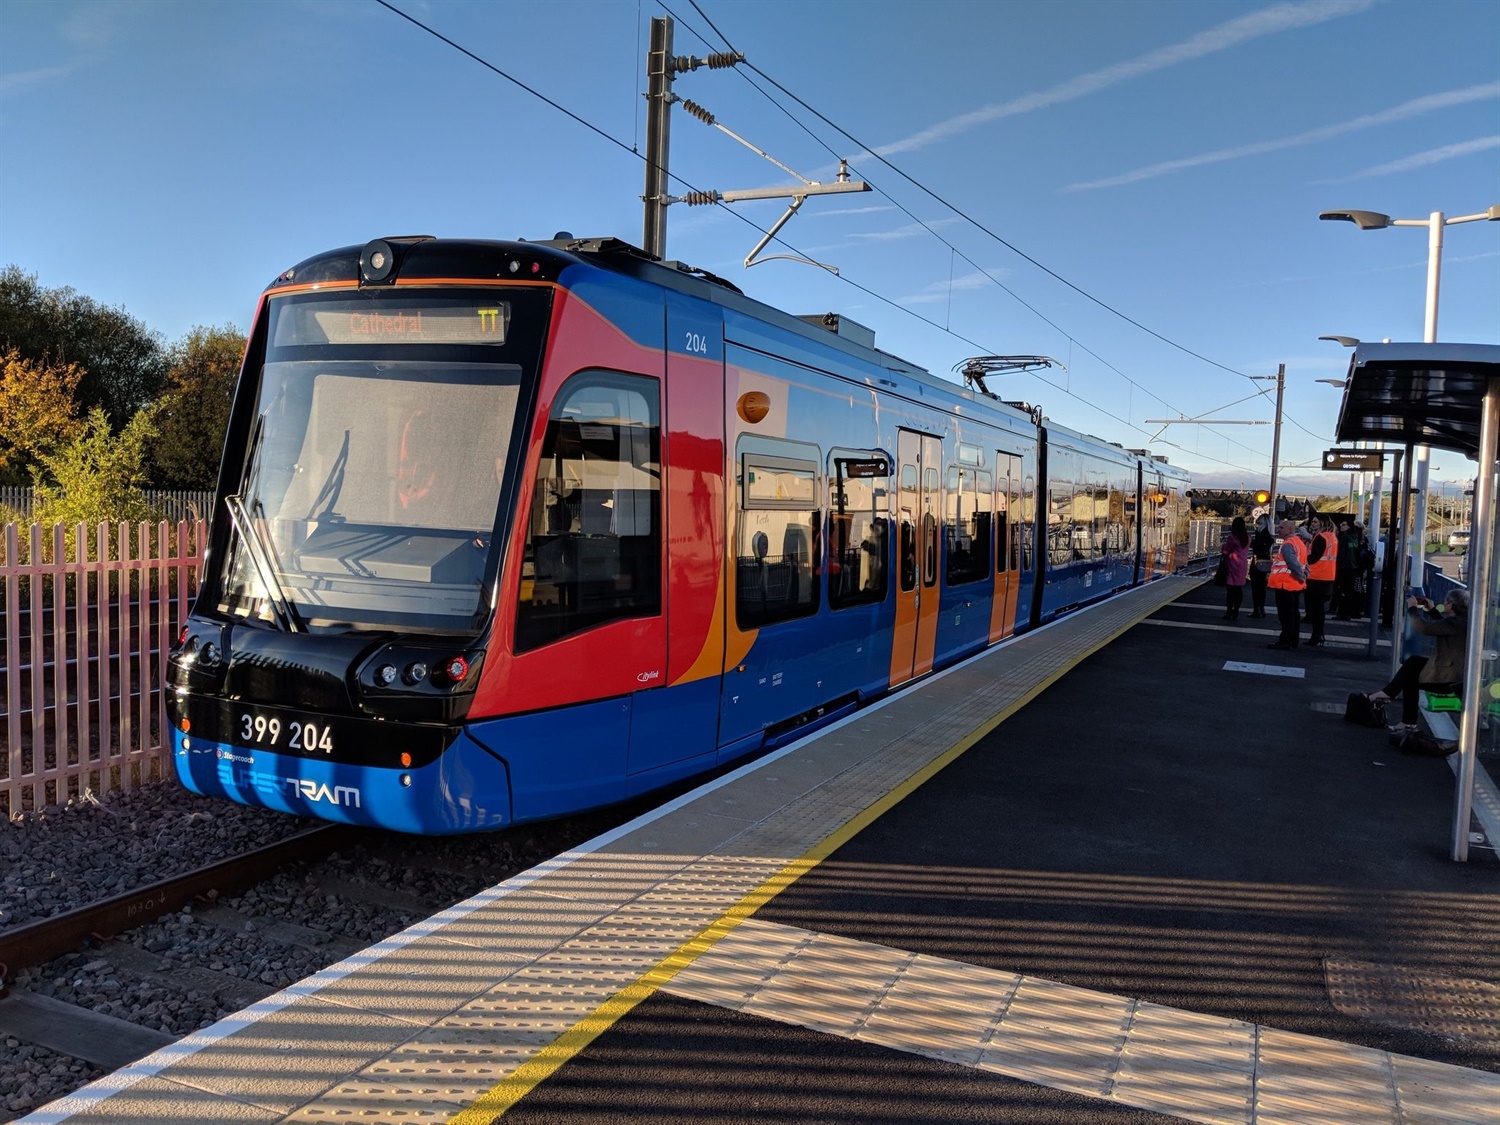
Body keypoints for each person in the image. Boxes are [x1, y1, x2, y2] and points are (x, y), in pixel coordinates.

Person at [1366, 589, 1470, 735]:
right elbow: (1445, 627)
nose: (1445, 603)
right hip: (1457, 675)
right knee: (1414, 664)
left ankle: (1402, 714)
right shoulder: (1462, 622)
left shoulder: (1454, 624)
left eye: (1447, 601)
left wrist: (1413, 609)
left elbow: (1424, 628)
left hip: (1449, 680)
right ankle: (1391, 699)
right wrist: (1432, 610)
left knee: (1410, 676)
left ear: (1451, 605)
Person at [1266, 518, 1307, 650]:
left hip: (1285, 584)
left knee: (1286, 615)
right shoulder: (1299, 543)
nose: (1279, 529)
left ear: (1290, 529)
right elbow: (1304, 563)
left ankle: (1286, 641)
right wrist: (1304, 577)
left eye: (1282, 528)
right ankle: (1293, 641)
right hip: (1294, 585)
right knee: (1294, 614)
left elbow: (1292, 563)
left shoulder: (1288, 544)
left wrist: (1300, 576)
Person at [1303, 513, 1338, 646]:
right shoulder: (1332, 537)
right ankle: (1319, 634)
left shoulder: (1320, 538)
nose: (1312, 524)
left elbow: (1314, 557)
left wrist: (1303, 561)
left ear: (1322, 524)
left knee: (1315, 610)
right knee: (1319, 610)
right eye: (1312, 522)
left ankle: (1316, 636)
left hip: (1316, 576)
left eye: (1315, 522)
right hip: (1328, 576)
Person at [1220, 516, 1250, 620]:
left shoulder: (1232, 537)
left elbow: (1226, 551)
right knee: (1239, 589)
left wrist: (1223, 548)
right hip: (1243, 564)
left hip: (1232, 564)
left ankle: (1229, 612)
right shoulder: (1247, 538)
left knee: (1230, 590)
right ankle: (1236, 611)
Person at [1248, 515, 1274, 618]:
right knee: (1262, 587)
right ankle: (1261, 608)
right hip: (1266, 561)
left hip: (1258, 561)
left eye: (1259, 523)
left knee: (1256, 587)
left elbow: (1254, 546)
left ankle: (1257, 609)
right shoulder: (1270, 535)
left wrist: (1253, 540)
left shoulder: (1261, 535)